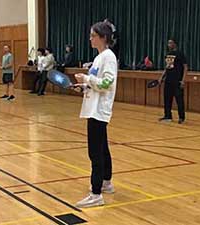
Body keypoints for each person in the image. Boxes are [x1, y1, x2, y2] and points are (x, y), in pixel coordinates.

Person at [74, 21, 118, 208]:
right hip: (93, 107)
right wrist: (84, 86)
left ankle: (96, 193)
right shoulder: (100, 57)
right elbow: (97, 84)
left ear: (103, 37)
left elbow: (107, 83)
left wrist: (87, 78)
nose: (90, 38)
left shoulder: (108, 57)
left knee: (95, 152)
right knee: (102, 148)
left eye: (93, 35)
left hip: (99, 110)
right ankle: (106, 182)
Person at [158, 39, 188, 124]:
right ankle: (167, 116)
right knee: (167, 99)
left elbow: (185, 67)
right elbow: (167, 67)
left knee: (179, 100)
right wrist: (161, 77)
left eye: (170, 43)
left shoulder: (180, 54)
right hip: (168, 80)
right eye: (168, 43)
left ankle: (181, 117)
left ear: (175, 44)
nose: (169, 44)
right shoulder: (168, 54)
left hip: (177, 80)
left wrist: (183, 80)